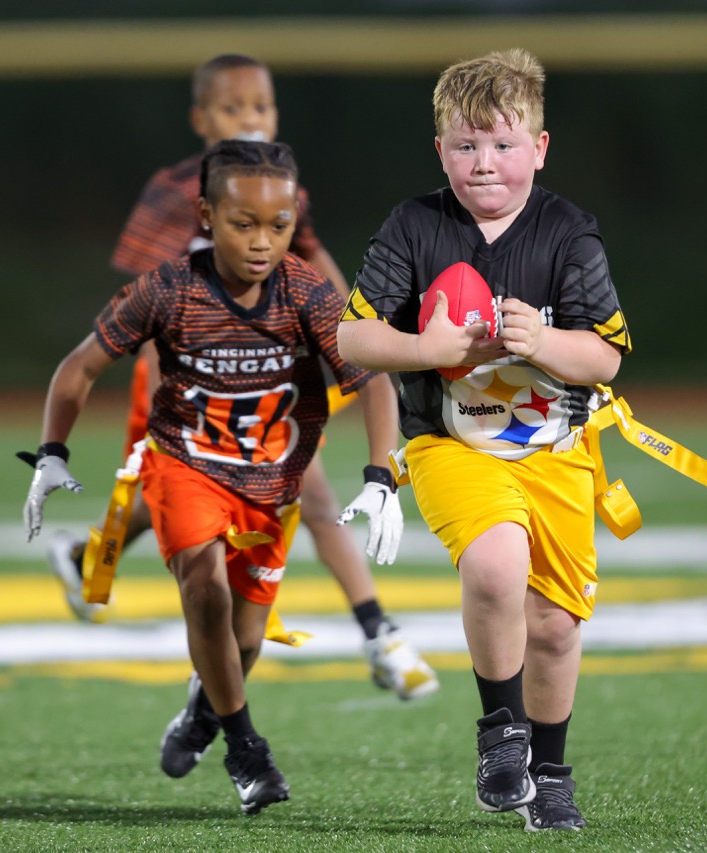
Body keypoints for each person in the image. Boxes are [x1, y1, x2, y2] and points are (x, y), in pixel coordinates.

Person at [21, 140, 407, 815]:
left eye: (279, 225)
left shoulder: (306, 290)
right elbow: (80, 366)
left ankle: (203, 714)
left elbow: (372, 379)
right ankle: (247, 750)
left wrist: (381, 474)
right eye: (243, 223)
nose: (262, 241)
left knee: (247, 639)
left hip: (269, 481)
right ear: (206, 215)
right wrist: (52, 450)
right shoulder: (168, 288)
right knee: (203, 584)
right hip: (185, 464)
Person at [45, 52, 437, 702]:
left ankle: (379, 633)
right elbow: (144, 298)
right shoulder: (177, 190)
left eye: (261, 106)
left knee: (310, 497)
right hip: (190, 379)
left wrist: (356, 325)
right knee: (208, 499)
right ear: (200, 119)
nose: (249, 119)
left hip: (268, 374)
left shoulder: (282, 188)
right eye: (232, 108)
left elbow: (311, 256)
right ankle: (372, 636)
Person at [336, 49, 632, 832]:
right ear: (441, 151)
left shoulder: (568, 233)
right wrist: (426, 348)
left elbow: (604, 355)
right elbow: (353, 336)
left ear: (540, 147)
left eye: (503, 144)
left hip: (556, 449)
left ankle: (550, 772)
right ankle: (502, 733)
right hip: (452, 444)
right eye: (466, 145)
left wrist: (544, 341)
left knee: (555, 626)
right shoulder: (416, 224)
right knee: (497, 565)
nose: (484, 162)